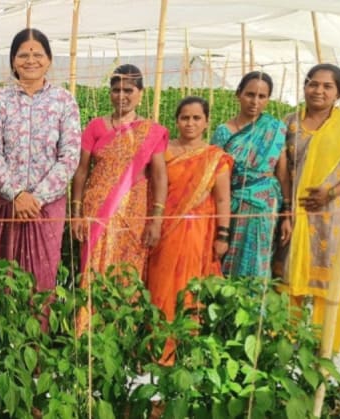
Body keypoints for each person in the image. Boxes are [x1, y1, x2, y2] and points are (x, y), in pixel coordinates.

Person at [276, 64, 340, 352]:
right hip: (297, 213)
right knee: (287, 278)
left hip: (336, 215)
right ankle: (282, 346)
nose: (318, 91)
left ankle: (325, 351)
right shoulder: (289, 122)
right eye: (313, 84)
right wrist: (286, 208)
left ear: (338, 93)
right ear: (304, 87)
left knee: (331, 283)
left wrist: (330, 193)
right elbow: (282, 169)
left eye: (327, 86)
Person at [0, 28, 81, 294]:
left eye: (38, 54)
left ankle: (40, 335)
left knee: (42, 281)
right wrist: (16, 194)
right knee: (3, 282)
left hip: (45, 208)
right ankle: (4, 337)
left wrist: (36, 198)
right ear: (13, 61)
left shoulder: (64, 101)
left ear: (48, 59)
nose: (30, 60)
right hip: (6, 204)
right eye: (23, 54)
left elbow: (69, 155)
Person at [145, 97, 232, 362]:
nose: (190, 123)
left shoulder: (214, 157)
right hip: (165, 230)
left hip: (198, 233)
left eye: (196, 118)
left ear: (206, 122)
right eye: (185, 117)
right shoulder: (164, 152)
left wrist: (223, 235)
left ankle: (185, 349)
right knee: (160, 284)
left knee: (190, 287)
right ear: (176, 120)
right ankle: (157, 347)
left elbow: (222, 199)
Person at [71, 64, 168, 279]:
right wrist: (76, 215)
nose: (121, 96)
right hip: (96, 210)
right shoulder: (95, 127)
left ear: (140, 93)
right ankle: (89, 313)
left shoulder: (151, 131)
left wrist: (156, 220)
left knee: (128, 272)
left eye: (128, 90)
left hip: (134, 214)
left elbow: (160, 176)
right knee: (93, 271)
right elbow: (81, 172)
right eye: (116, 90)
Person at [212, 71, 291, 279]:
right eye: (249, 94)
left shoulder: (275, 129)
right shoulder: (224, 132)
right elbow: (215, 177)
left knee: (258, 261)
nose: (255, 101)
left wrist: (287, 213)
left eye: (262, 96)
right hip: (232, 205)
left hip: (265, 206)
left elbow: (282, 174)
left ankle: (255, 308)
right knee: (225, 260)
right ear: (238, 94)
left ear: (267, 99)